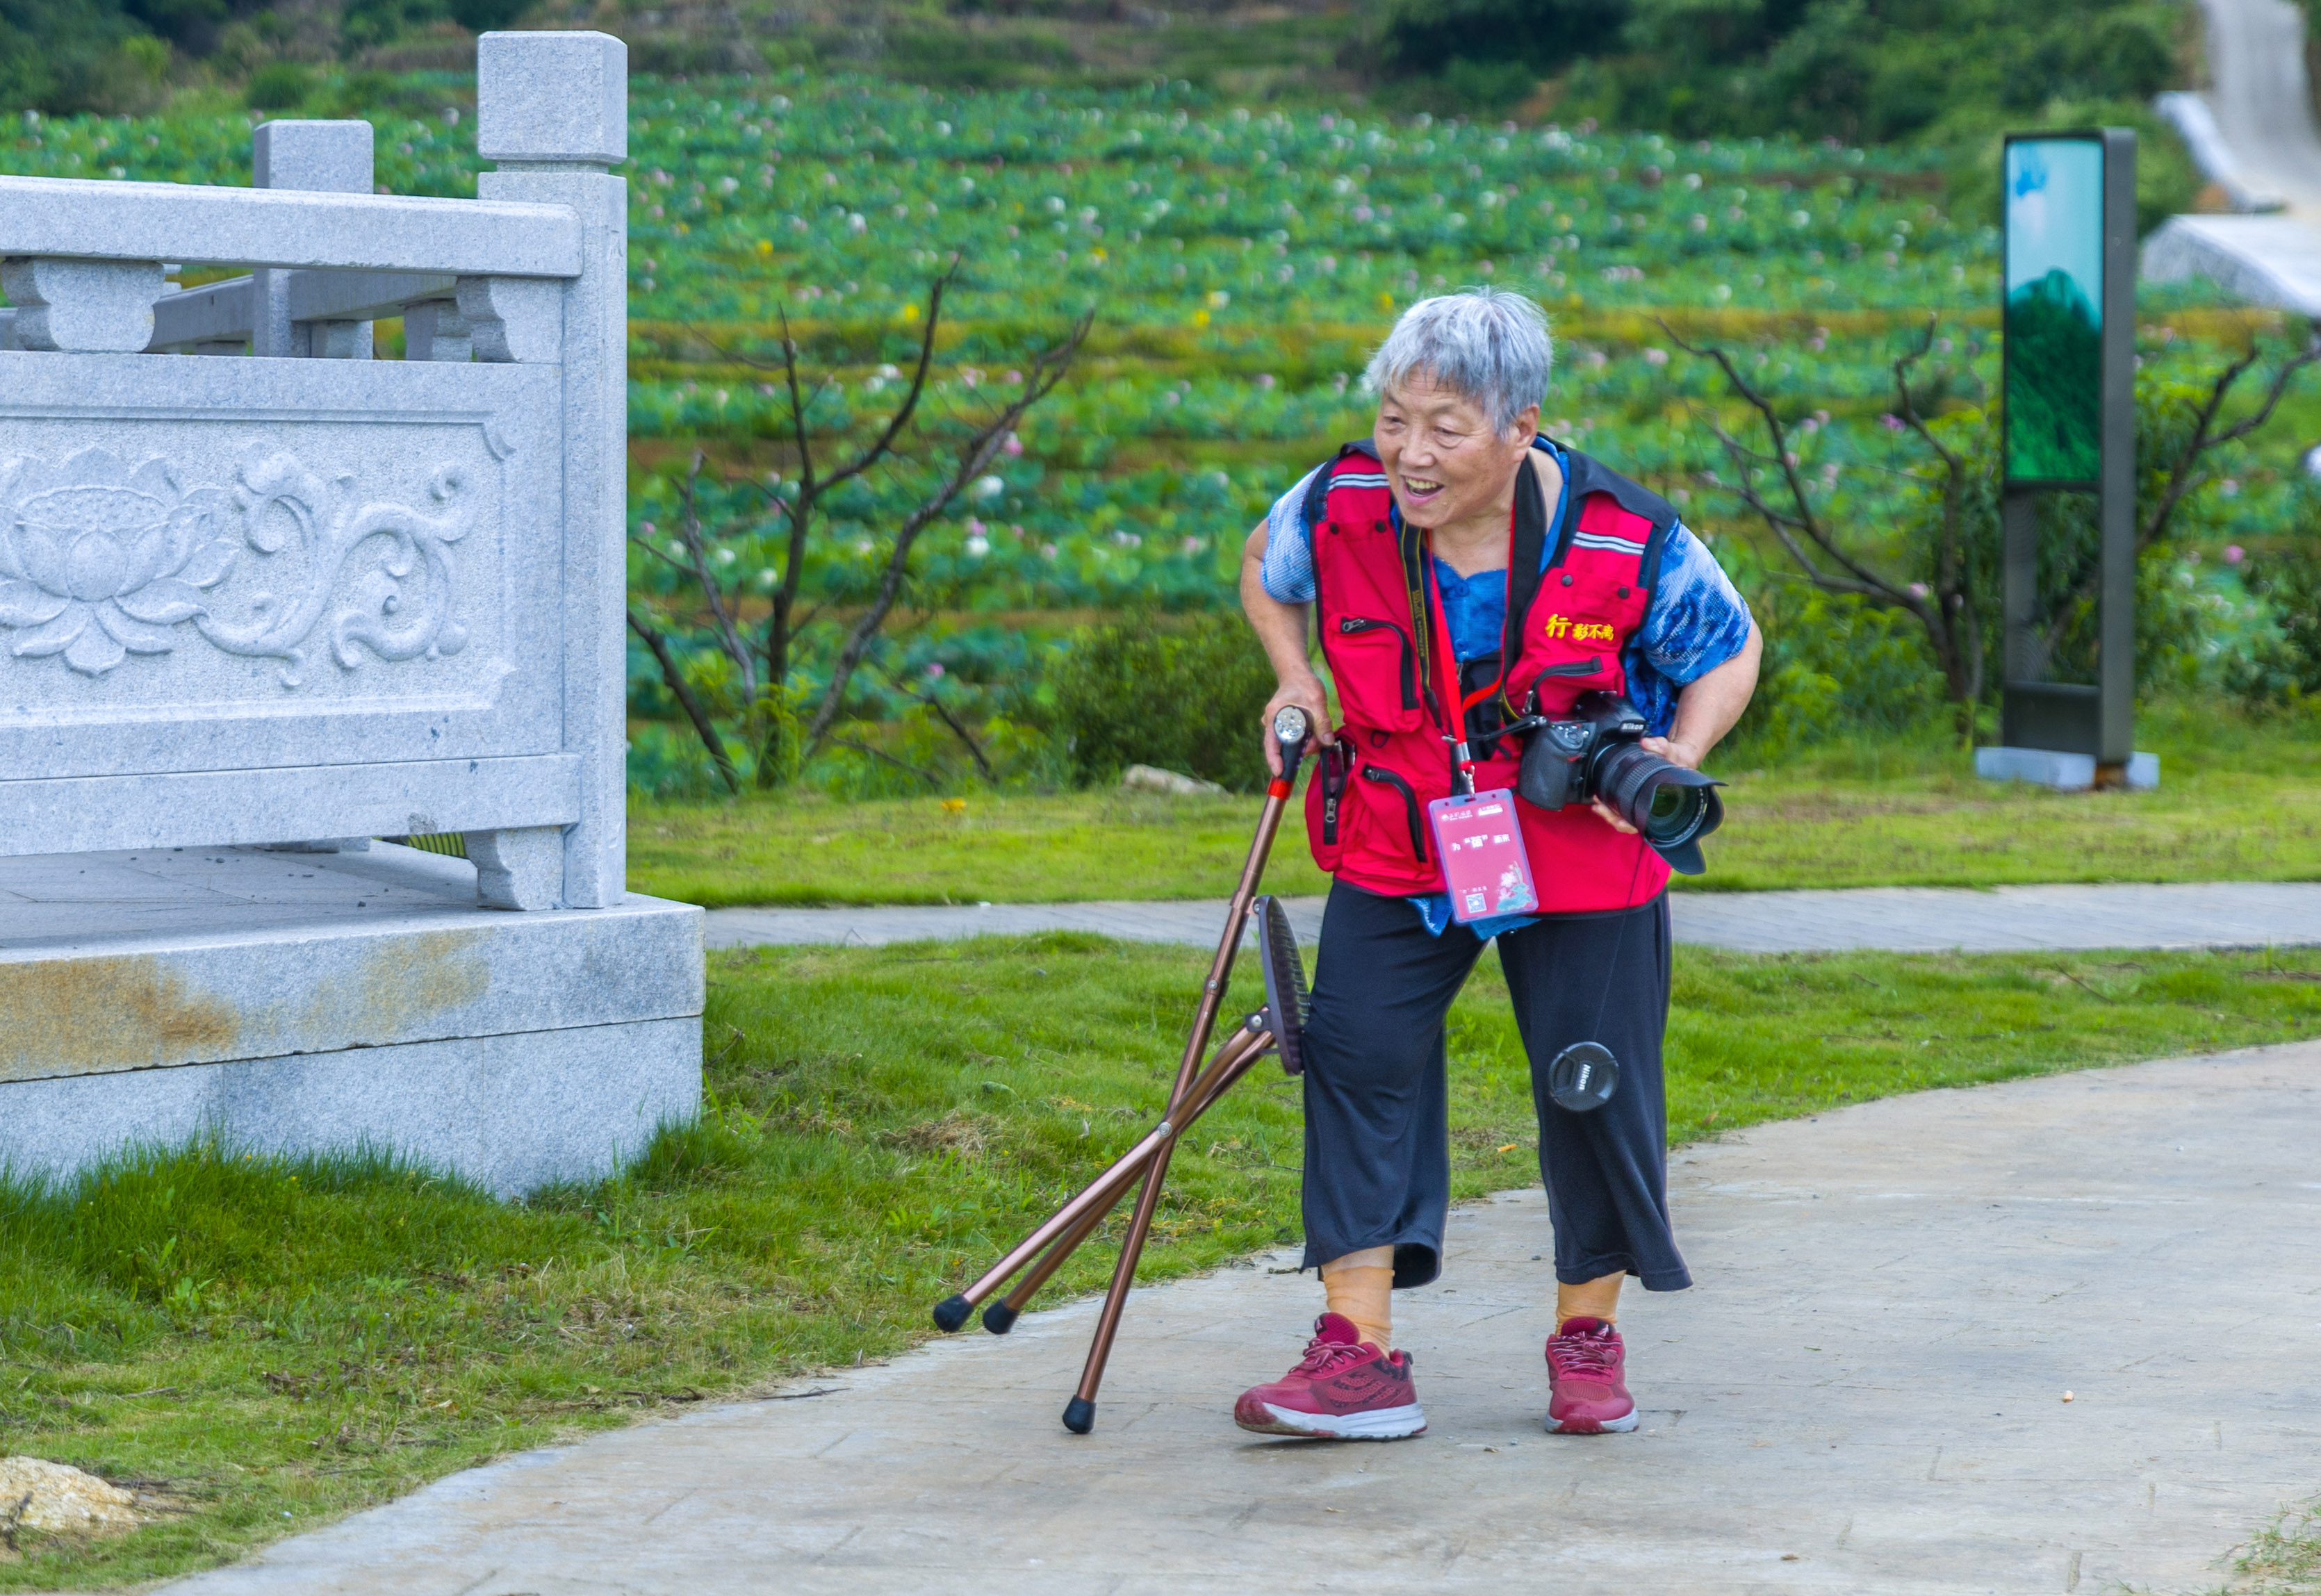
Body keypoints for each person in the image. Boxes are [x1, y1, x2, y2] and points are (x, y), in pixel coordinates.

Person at [1233, 288, 1761, 1440]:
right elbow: (1265, 570)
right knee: (1359, 1055)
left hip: (1581, 845)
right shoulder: (1337, 505)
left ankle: (1587, 1339)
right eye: (1394, 419)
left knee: (1591, 1078)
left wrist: (1683, 749)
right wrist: (1296, 676)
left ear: (1521, 426)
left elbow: (1732, 646)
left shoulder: (1625, 535)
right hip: (1399, 830)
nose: (1410, 455)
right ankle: (1358, 1355)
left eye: (1445, 428)